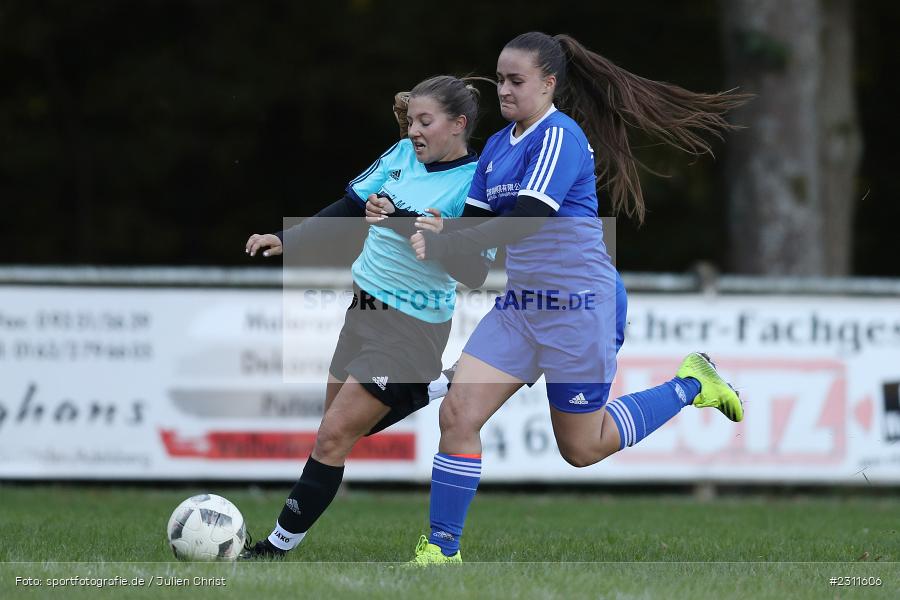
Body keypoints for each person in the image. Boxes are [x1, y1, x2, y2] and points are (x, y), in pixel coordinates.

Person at [405, 32, 750, 564]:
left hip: (579, 308)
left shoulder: (558, 137)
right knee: (458, 413)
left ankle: (690, 385)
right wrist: (419, 236)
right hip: (522, 310)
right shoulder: (497, 148)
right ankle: (441, 549)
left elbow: (527, 220)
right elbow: (475, 247)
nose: (504, 90)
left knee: (582, 448)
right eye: (499, 79)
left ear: (548, 84)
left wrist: (453, 239)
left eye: (516, 81)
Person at [240, 75, 491, 559]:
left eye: (426, 121)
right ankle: (433, 386)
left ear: (458, 124)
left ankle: (274, 548)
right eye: (412, 120)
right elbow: (350, 206)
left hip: (412, 326)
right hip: (364, 307)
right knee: (334, 429)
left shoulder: (474, 182)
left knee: (335, 435)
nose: (414, 130)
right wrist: (288, 239)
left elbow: (474, 270)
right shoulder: (399, 157)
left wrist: (399, 222)